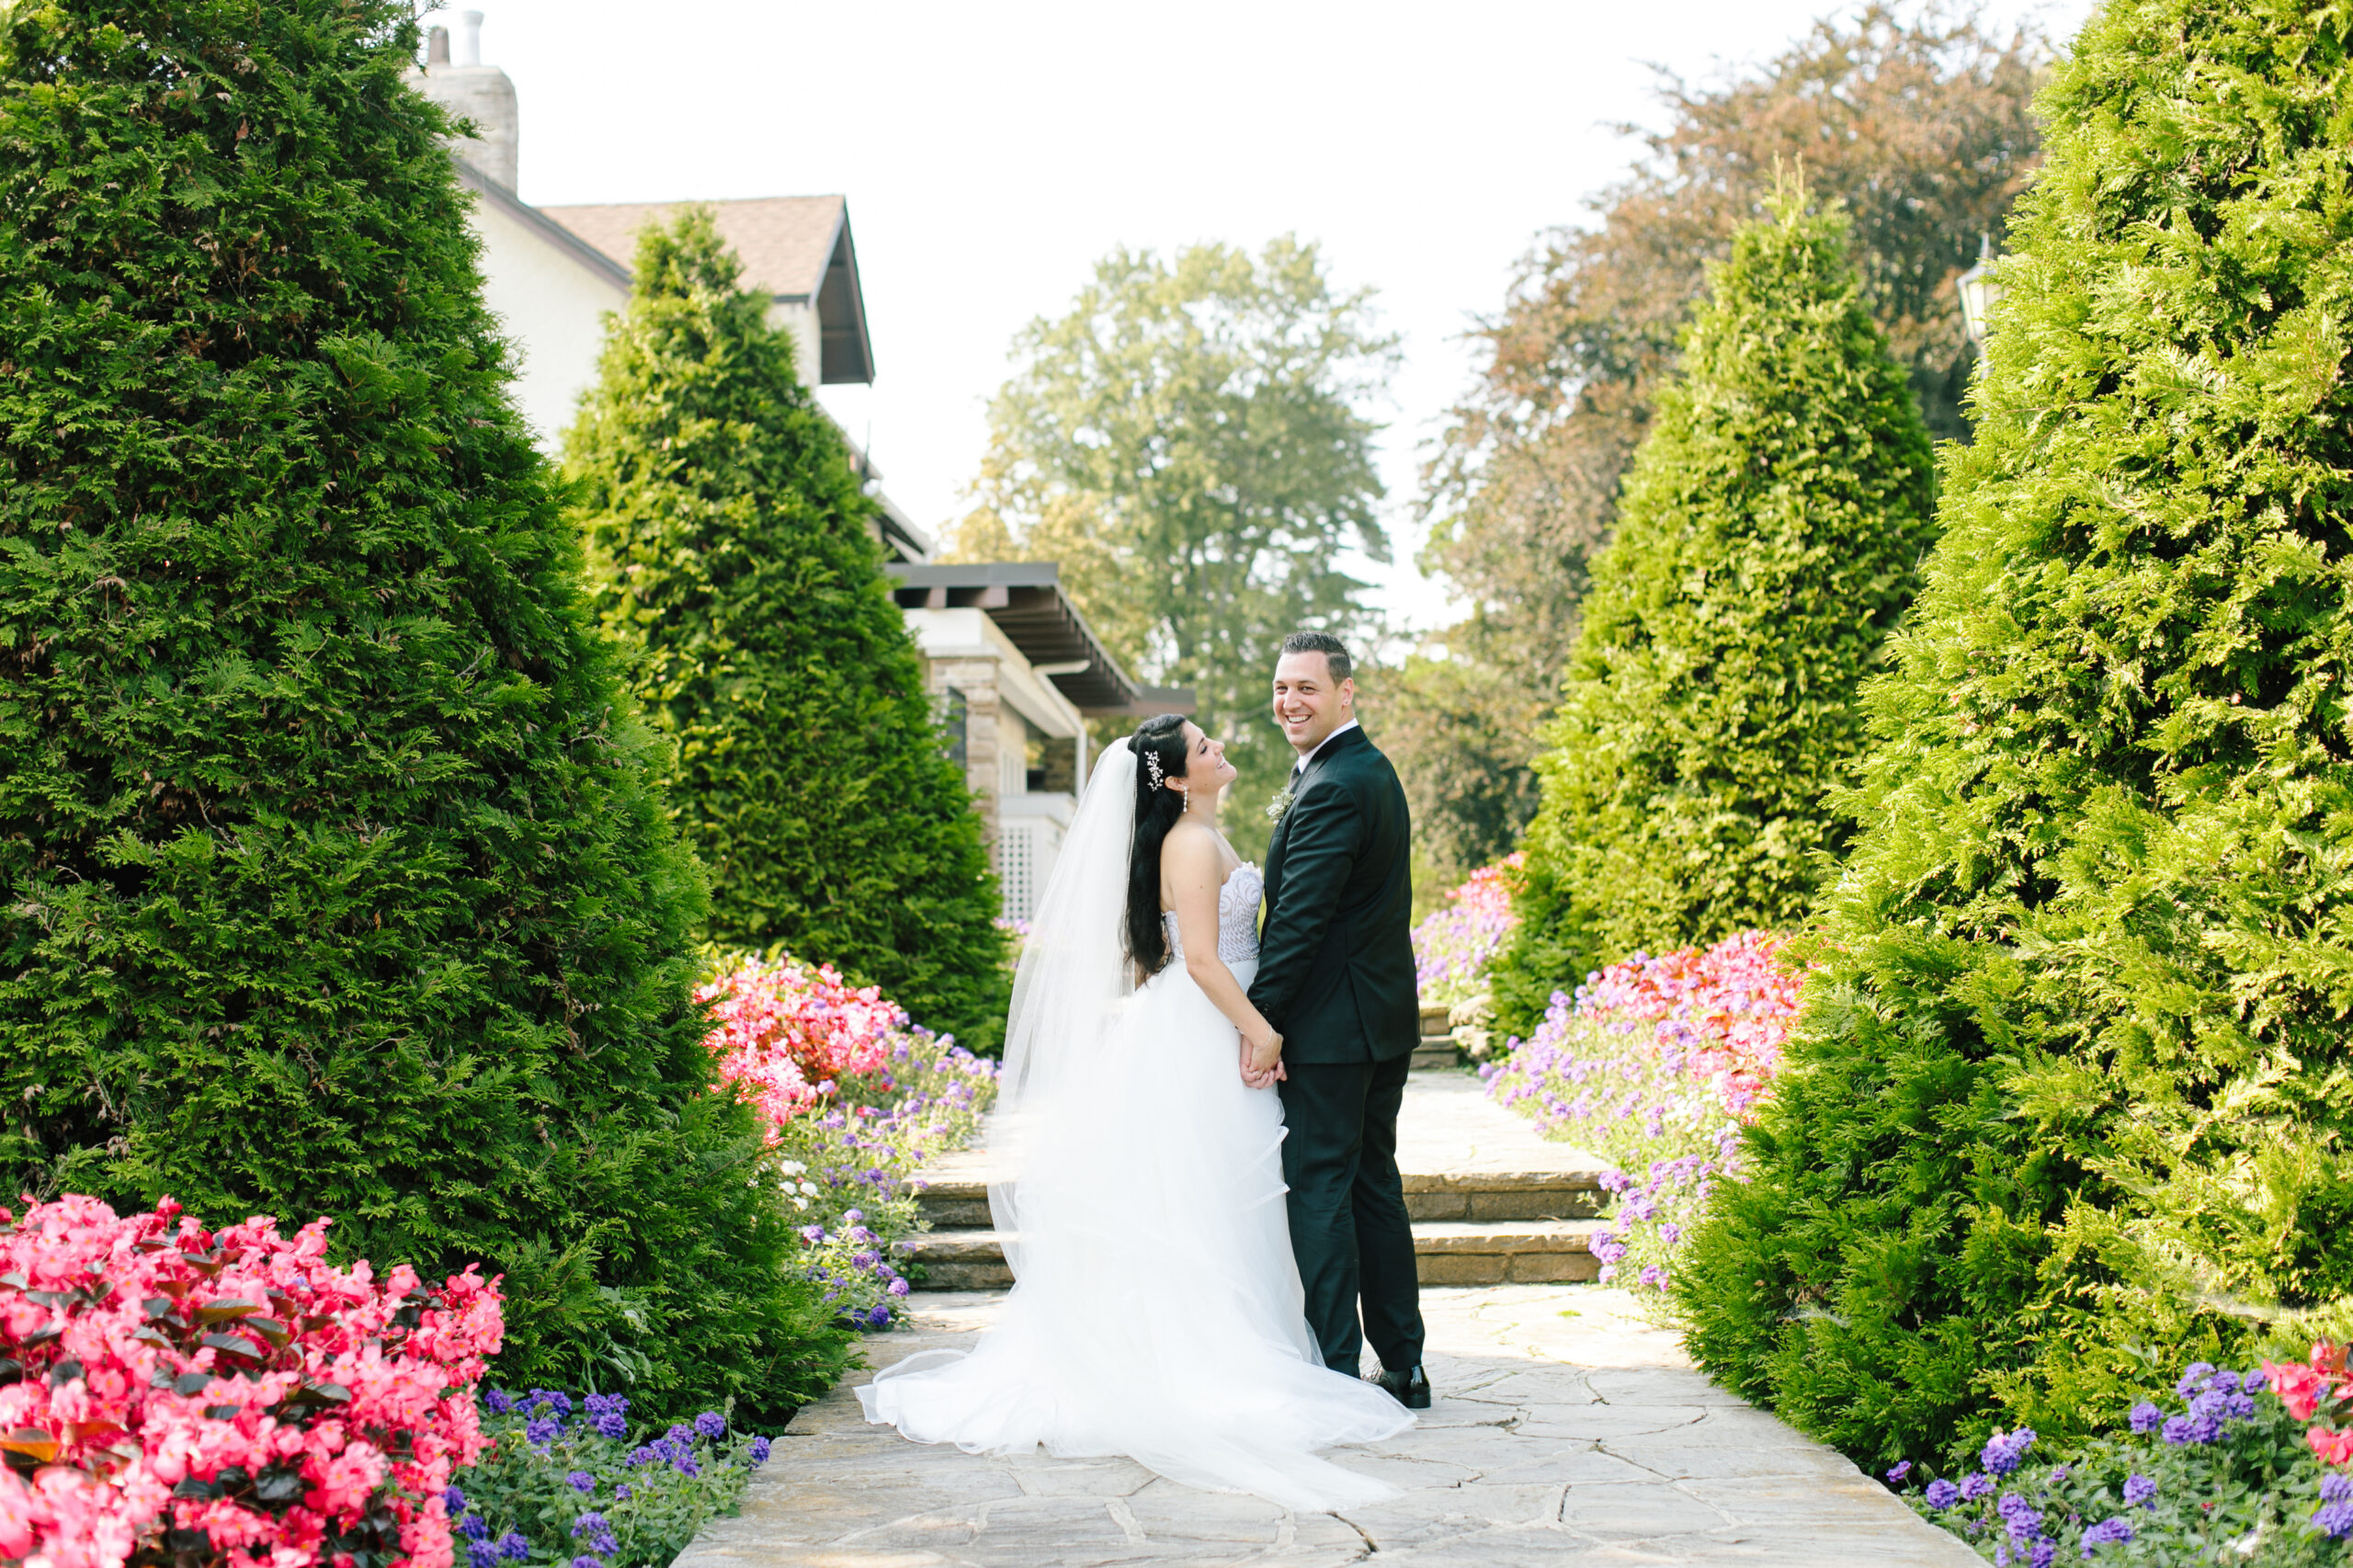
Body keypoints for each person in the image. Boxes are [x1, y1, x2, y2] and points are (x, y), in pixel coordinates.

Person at [856, 711, 1413, 1511]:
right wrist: (1260, 1029)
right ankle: (1195, 1355)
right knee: (1197, 1193)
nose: (1222, 750)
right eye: (1206, 748)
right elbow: (1198, 958)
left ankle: (1255, 1341)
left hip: (1213, 1019)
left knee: (1223, 1192)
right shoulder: (1186, 843)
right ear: (1179, 778)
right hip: (1200, 1025)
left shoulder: (1201, 832)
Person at [1248, 631, 1428, 1408]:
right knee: (1370, 1187)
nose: (1291, 701)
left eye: (1308, 689)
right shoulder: (1364, 770)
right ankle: (1405, 1365)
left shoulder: (1332, 786)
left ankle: (1332, 1371)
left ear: (1346, 693)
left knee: (1320, 1188)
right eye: (1283, 687)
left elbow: (1298, 922)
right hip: (1377, 1022)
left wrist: (1262, 1025)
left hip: (1331, 1030)